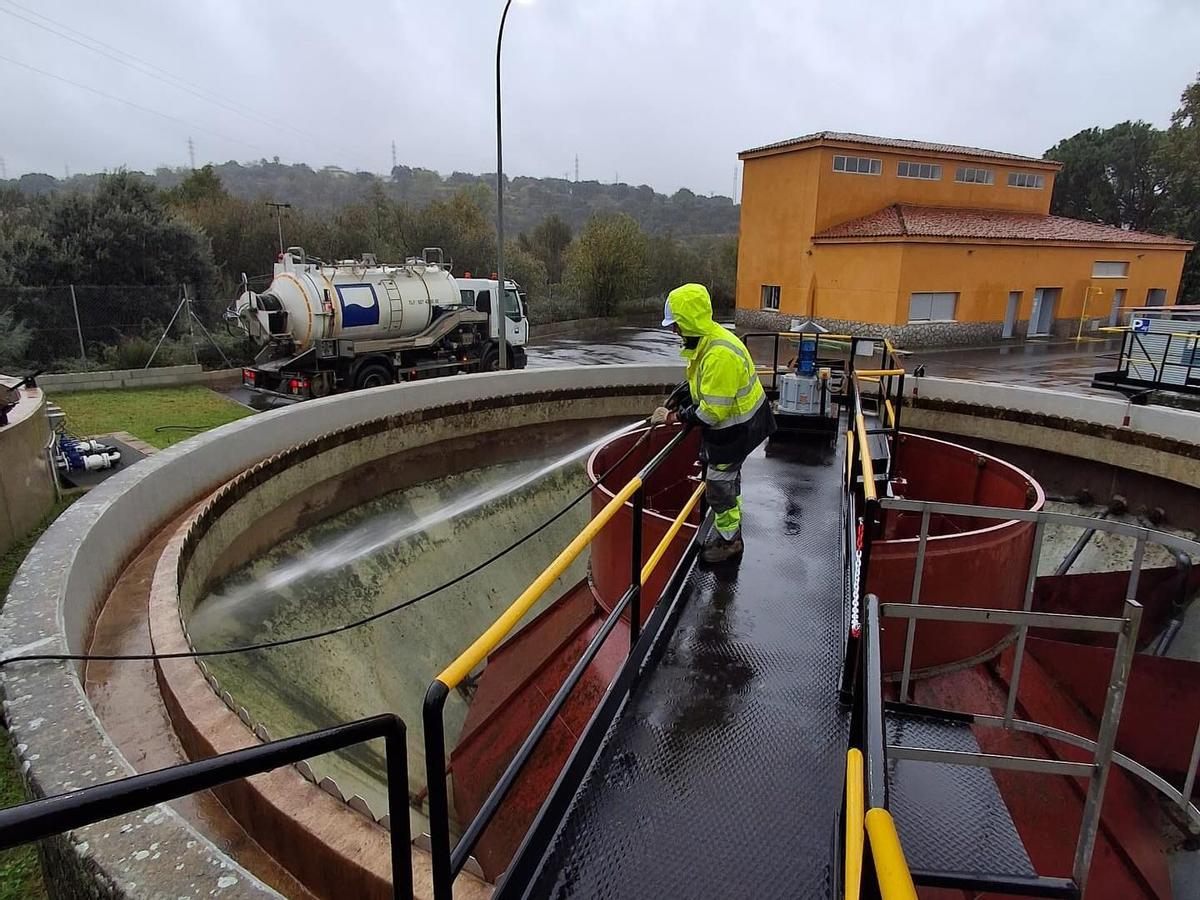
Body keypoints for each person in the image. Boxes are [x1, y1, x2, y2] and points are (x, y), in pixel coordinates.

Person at [651, 283, 775, 563]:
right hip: (741, 423)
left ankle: (730, 542)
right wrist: (684, 394)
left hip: (736, 429)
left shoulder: (719, 354)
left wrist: (674, 417)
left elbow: (712, 413)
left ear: (689, 321)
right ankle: (731, 520)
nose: (674, 331)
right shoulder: (708, 340)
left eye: (676, 325)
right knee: (728, 479)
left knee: (718, 486)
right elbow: (705, 386)